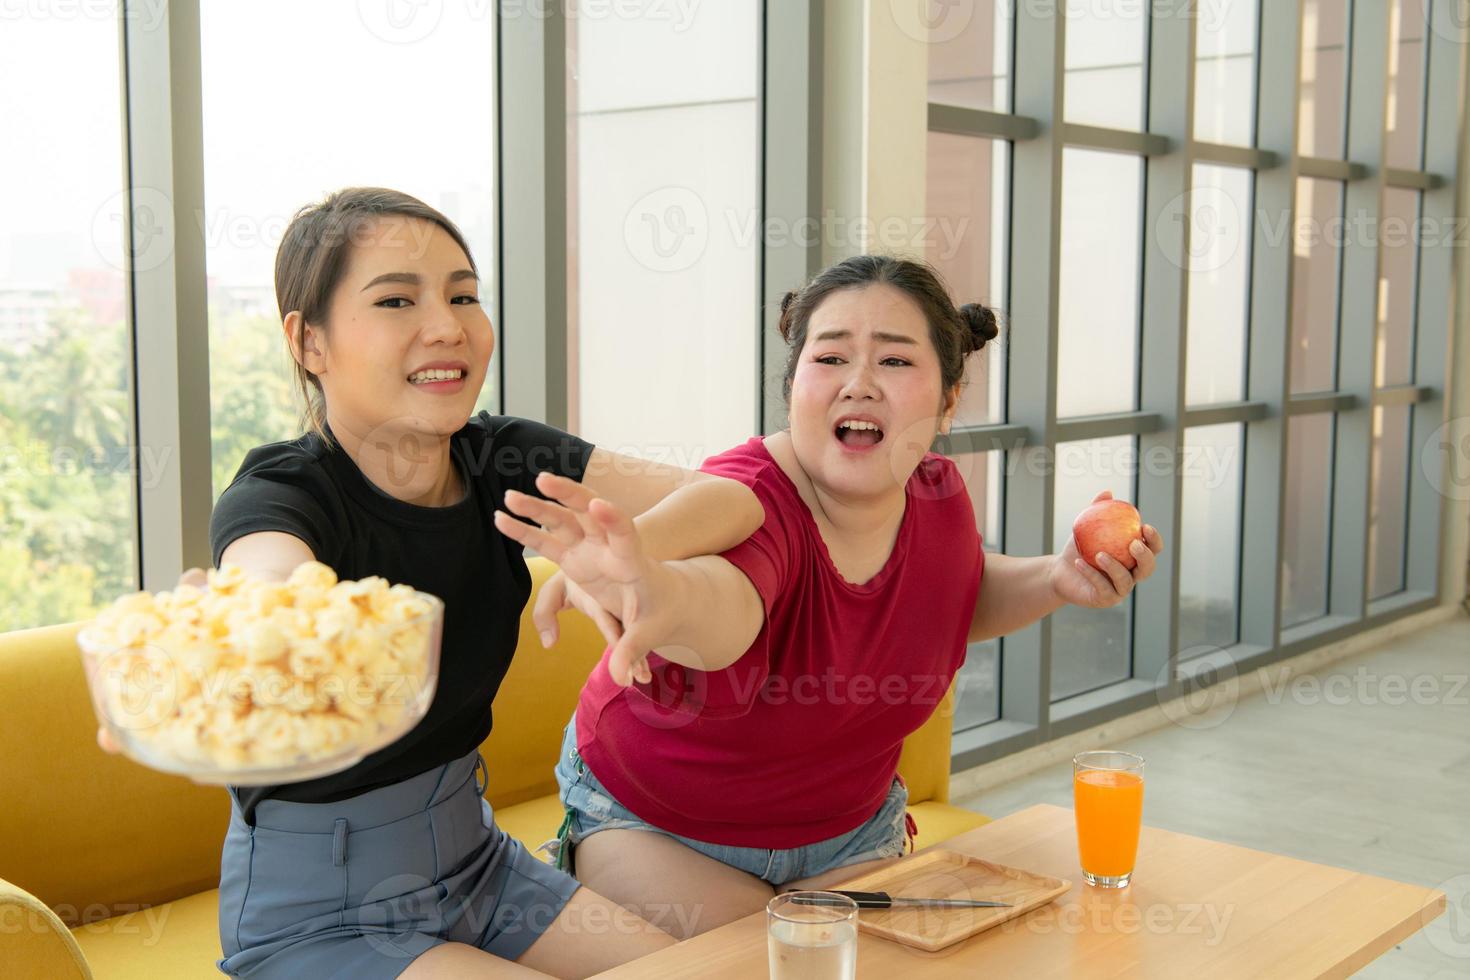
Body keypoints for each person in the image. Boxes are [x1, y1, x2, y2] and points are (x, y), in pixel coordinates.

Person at [101, 187, 763, 978]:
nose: (447, 325)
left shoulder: (503, 458)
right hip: (322, 915)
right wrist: (235, 634)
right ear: (308, 341)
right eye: (396, 299)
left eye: (463, 295)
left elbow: (731, 498)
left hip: (479, 868)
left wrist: (625, 558)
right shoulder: (284, 491)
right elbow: (274, 583)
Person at [497, 254, 1165, 938]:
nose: (860, 384)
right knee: (765, 967)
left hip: (852, 833)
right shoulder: (749, 495)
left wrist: (1054, 578)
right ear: (794, 387)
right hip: (655, 827)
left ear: (949, 399)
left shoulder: (937, 490)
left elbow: (955, 596)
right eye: (831, 358)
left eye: (897, 362)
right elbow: (715, 606)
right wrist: (644, 585)